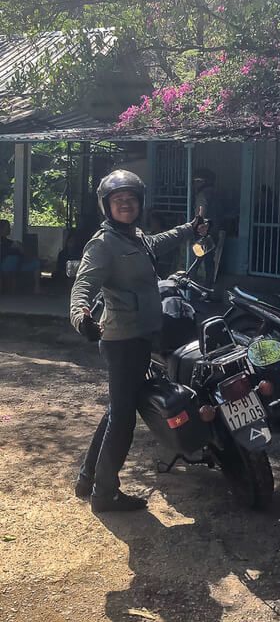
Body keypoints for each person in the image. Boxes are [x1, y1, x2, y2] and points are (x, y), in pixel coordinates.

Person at [69, 169, 208, 514]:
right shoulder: (103, 244)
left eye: (131, 199)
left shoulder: (134, 237)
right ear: (107, 206)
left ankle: (88, 478)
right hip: (122, 341)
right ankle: (104, 494)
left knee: (117, 410)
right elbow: (83, 286)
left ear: (139, 202)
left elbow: (159, 242)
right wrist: (81, 317)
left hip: (140, 337)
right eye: (118, 200)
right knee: (123, 419)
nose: (126, 204)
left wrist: (190, 229)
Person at [0, 219, 41, 294]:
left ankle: (37, 288)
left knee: (36, 263)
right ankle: (10, 290)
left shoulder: (10, 242)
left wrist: (21, 249)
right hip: (4, 265)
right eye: (7, 227)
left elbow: (22, 253)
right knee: (12, 259)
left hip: (19, 264)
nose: (9, 229)